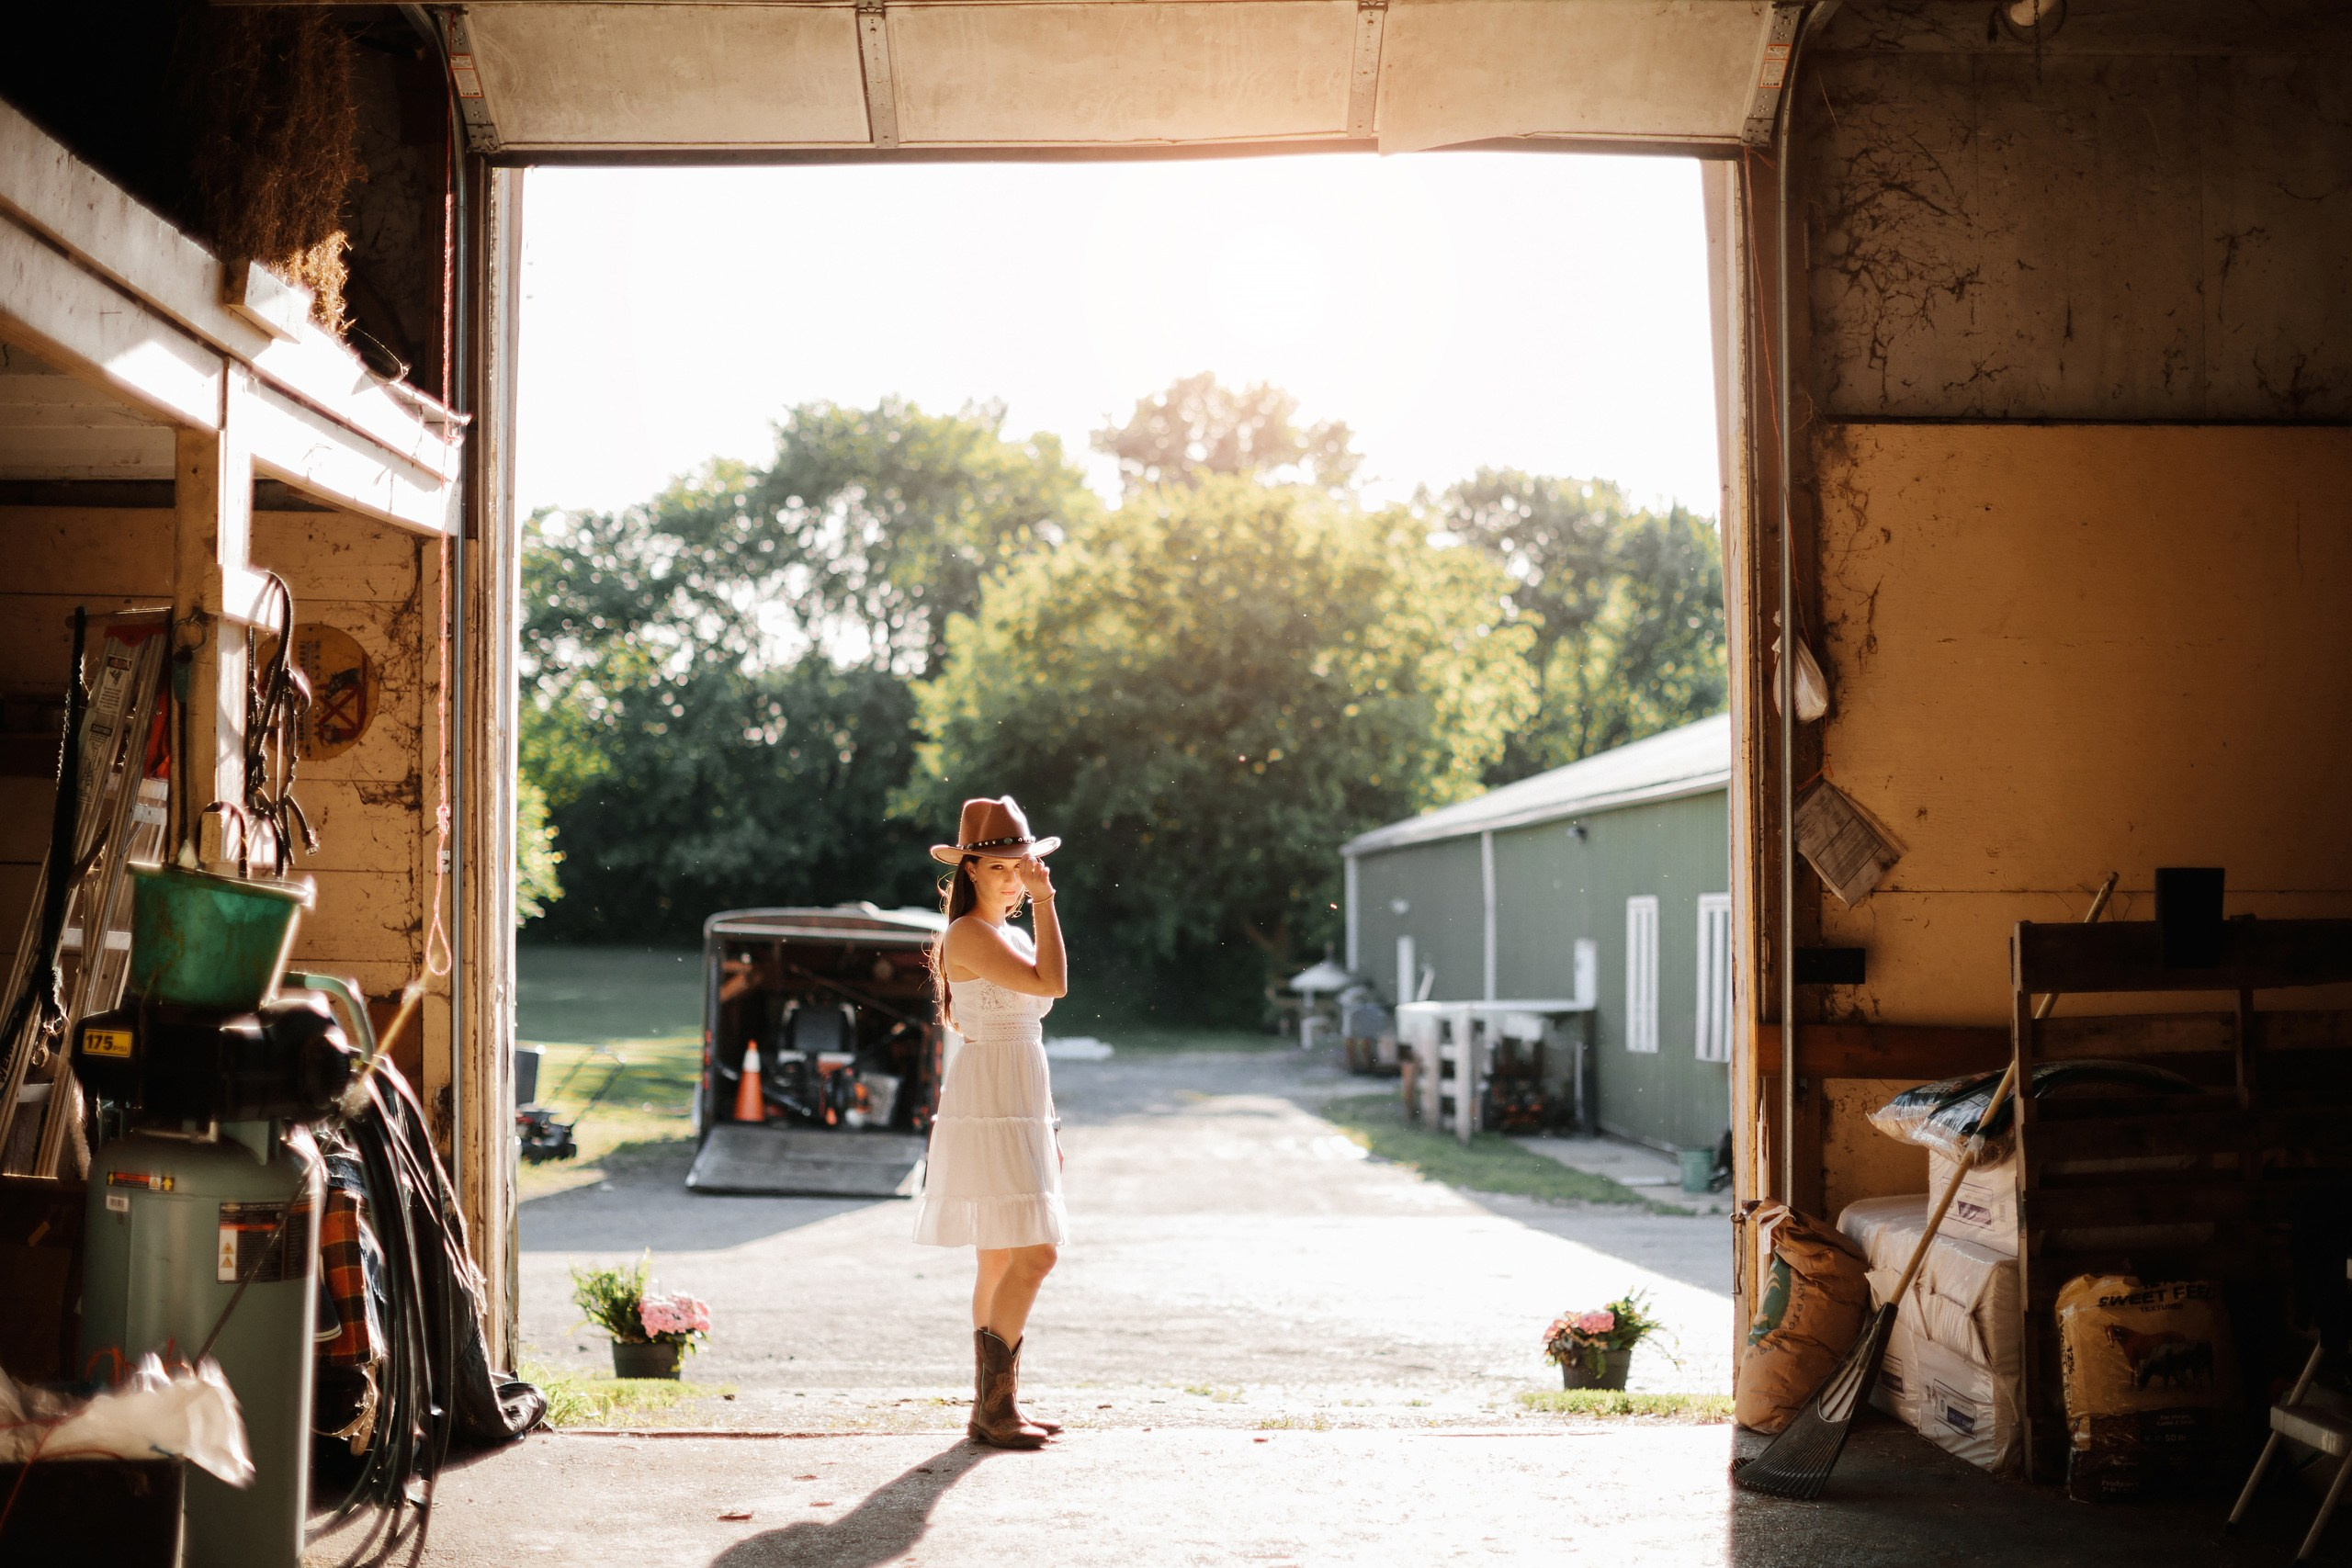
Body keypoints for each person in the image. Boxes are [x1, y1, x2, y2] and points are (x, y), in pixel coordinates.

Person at [911, 795, 1069, 1449]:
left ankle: (996, 1404)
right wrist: (1048, 900)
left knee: (1002, 1253)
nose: (1015, 877)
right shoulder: (970, 934)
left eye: (1021, 864)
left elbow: (1031, 1014)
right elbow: (1054, 984)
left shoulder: (1011, 933)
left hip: (1020, 1092)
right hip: (991, 1095)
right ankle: (993, 1408)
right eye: (1002, 866)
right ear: (972, 868)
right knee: (1037, 1252)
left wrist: (1049, 1129)